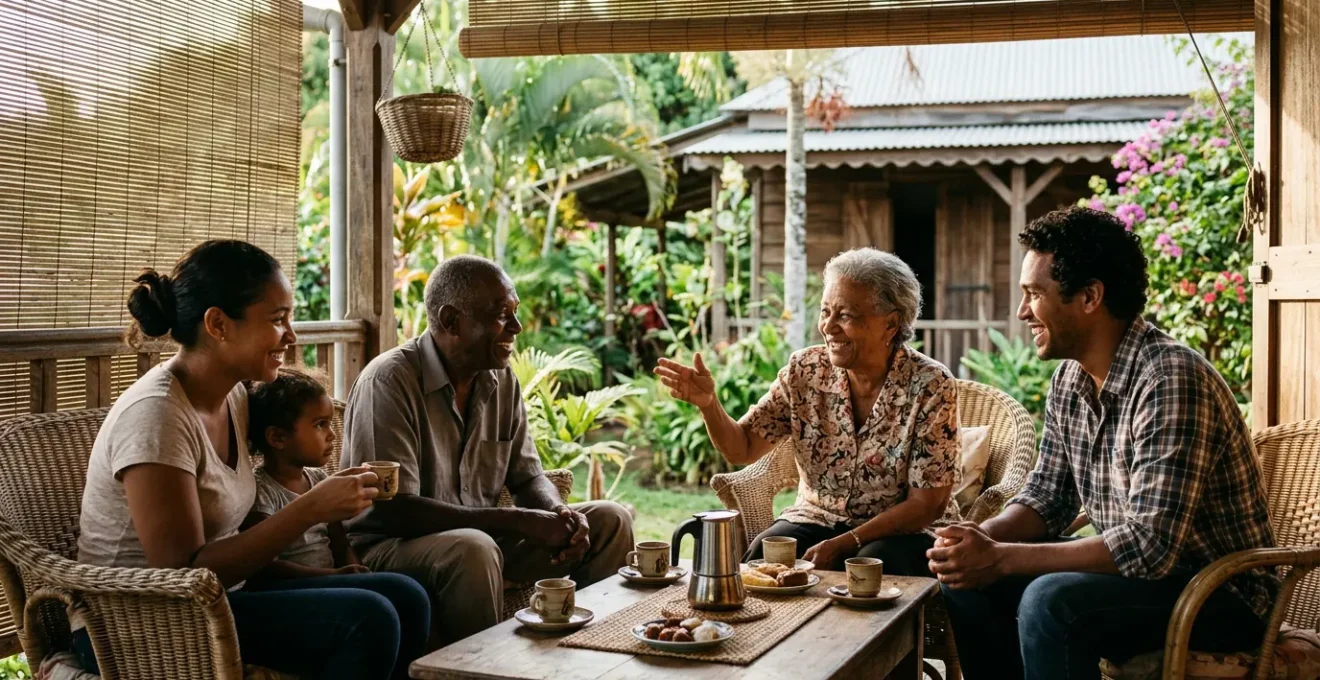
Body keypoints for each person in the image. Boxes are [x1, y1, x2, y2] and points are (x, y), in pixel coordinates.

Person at [928, 207, 1278, 680]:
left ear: (1090, 296)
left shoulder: (1171, 380)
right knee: (965, 582)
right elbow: (1046, 499)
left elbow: (1150, 546)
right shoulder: (1070, 381)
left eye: (1035, 294)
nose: (1022, 311)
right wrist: (982, 540)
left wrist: (1002, 558)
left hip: (1221, 593)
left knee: (1051, 601)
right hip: (1146, 579)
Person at [76, 240, 429, 680]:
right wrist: (311, 508)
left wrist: (332, 490)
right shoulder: (157, 416)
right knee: (369, 618)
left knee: (406, 595)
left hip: (222, 599)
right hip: (138, 624)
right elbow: (181, 576)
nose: (292, 335)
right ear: (218, 324)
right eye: (278, 319)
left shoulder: (234, 397)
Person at [342, 255, 634, 644]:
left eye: (515, 312)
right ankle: (474, 668)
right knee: (473, 548)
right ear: (451, 321)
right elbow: (394, 510)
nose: (516, 326)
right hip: (393, 548)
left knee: (610, 521)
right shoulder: (388, 382)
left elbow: (528, 477)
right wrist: (518, 521)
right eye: (501, 315)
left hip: (483, 540)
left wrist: (558, 512)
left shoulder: (502, 380)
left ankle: (596, 651)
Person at [656, 248, 960, 575]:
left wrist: (848, 542)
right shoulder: (806, 370)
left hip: (905, 531)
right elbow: (741, 448)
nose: (828, 326)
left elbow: (925, 505)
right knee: (764, 555)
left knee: (872, 562)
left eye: (846, 316)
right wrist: (709, 404)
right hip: (818, 518)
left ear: (891, 323)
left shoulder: (930, 384)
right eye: (825, 311)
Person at [242, 368, 429, 679]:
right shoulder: (262, 490)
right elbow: (265, 567)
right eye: (320, 425)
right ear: (277, 437)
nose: (331, 434)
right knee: (384, 605)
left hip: (329, 579)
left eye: (329, 423)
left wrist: (355, 570)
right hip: (287, 588)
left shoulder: (318, 479)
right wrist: (332, 576)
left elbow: (339, 542)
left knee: (411, 592)